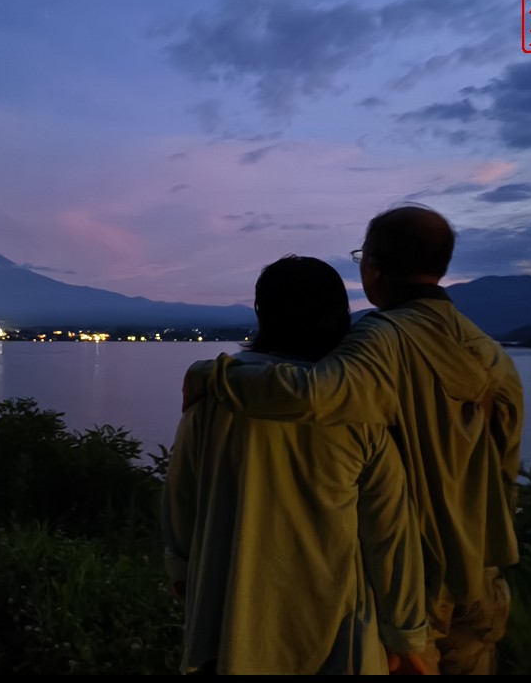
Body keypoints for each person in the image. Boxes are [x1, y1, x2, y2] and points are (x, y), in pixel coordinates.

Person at [183, 204, 523, 675]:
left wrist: (214, 375)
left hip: (424, 582)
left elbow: (314, 395)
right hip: (480, 572)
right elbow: (506, 466)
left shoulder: (381, 339)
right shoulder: (491, 352)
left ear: (374, 268)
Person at [162, 255, 429, 675]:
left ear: (261, 313)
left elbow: (181, 497)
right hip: (335, 633)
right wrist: (405, 636)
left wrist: (181, 565)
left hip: (228, 626)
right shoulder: (356, 411)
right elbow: (390, 535)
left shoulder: (213, 397)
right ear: (339, 316)